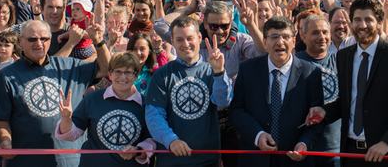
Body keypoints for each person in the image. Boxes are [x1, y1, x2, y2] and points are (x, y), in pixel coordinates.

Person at [0, 19, 111, 167]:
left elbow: (106, 69)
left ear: (50, 40)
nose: (39, 43)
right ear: (20, 42)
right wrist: (5, 140)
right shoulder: (6, 75)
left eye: (44, 39)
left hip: (71, 160)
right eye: (32, 39)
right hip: (27, 161)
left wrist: (98, 41)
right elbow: (0, 118)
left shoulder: (69, 66)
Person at [325, 0, 388, 166]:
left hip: (386, 154)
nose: (362, 25)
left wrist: (387, 142)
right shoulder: (343, 56)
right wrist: (323, 112)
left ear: (380, 22)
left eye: (368, 19)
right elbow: (348, 102)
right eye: (357, 20)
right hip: (351, 154)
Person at [229, 16, 324, 166]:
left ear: (294, 41)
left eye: (286, 37)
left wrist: (304, 143)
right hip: (255, 159)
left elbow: (317, 119)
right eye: (274, 37)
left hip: (294, 159)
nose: (280, 42)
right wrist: (258, 135)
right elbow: (236, 111)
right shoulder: (248, 69)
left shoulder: (311, 73)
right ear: (265, 42)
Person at [145, 16, 232, 167]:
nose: (185, 44)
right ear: (172, 41)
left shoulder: (212, 69)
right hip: (172, 160)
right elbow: (154, 115)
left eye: (190, 38)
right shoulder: (162, 75)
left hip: (207, 159)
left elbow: (223, 102)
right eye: (179, 40)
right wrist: (171, 140)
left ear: (199, 38)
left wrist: (219, 72)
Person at [55, 53, 155, 167]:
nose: (122, 77)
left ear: (136, 75)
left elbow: (152, 139)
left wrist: (138, 151)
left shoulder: (146, 105)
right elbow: (71, 135)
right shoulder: (93, 99)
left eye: (128, 72)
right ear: (110, 74)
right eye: (117, 71)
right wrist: (66, 119)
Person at [295, 14, 340, 167]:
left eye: (325, 32)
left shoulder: (341, 61)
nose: (321, 37)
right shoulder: (293, 63)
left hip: (335, 150)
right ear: (303, 35)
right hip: (302, 149)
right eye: (315, 32)